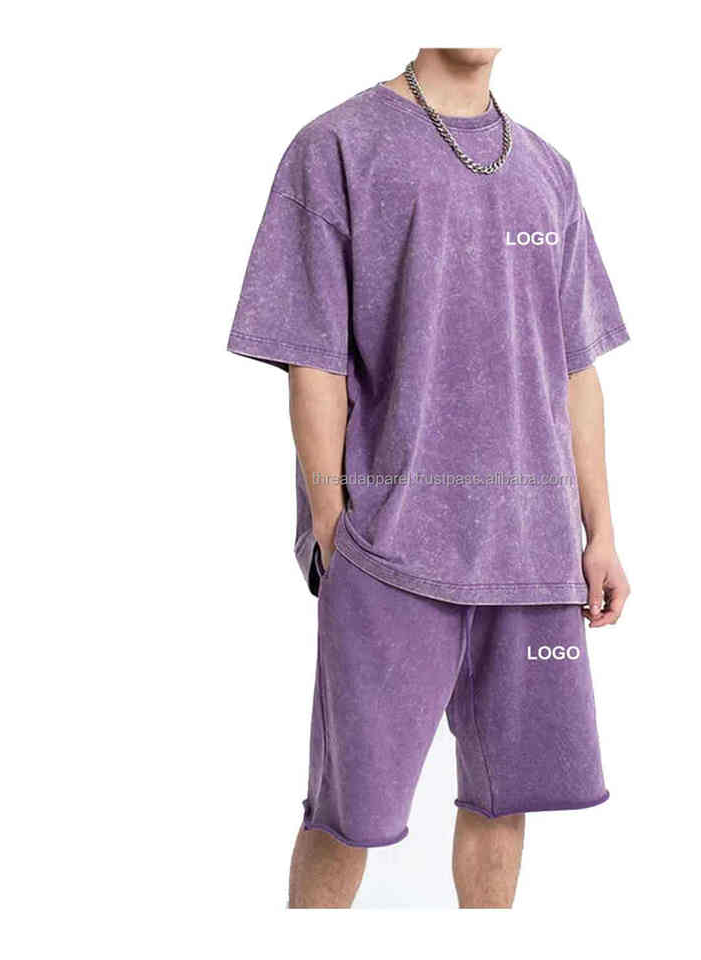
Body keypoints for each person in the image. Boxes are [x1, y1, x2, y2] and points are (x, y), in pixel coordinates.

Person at [228, 48, 631, 908]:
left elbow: (575, 369)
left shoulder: (548, 171)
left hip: (532, 552)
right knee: (346, 814)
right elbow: (311, 357)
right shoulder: (337, 147)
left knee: (505, 797)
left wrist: (600, 533)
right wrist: (333, 523)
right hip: (391, 547)